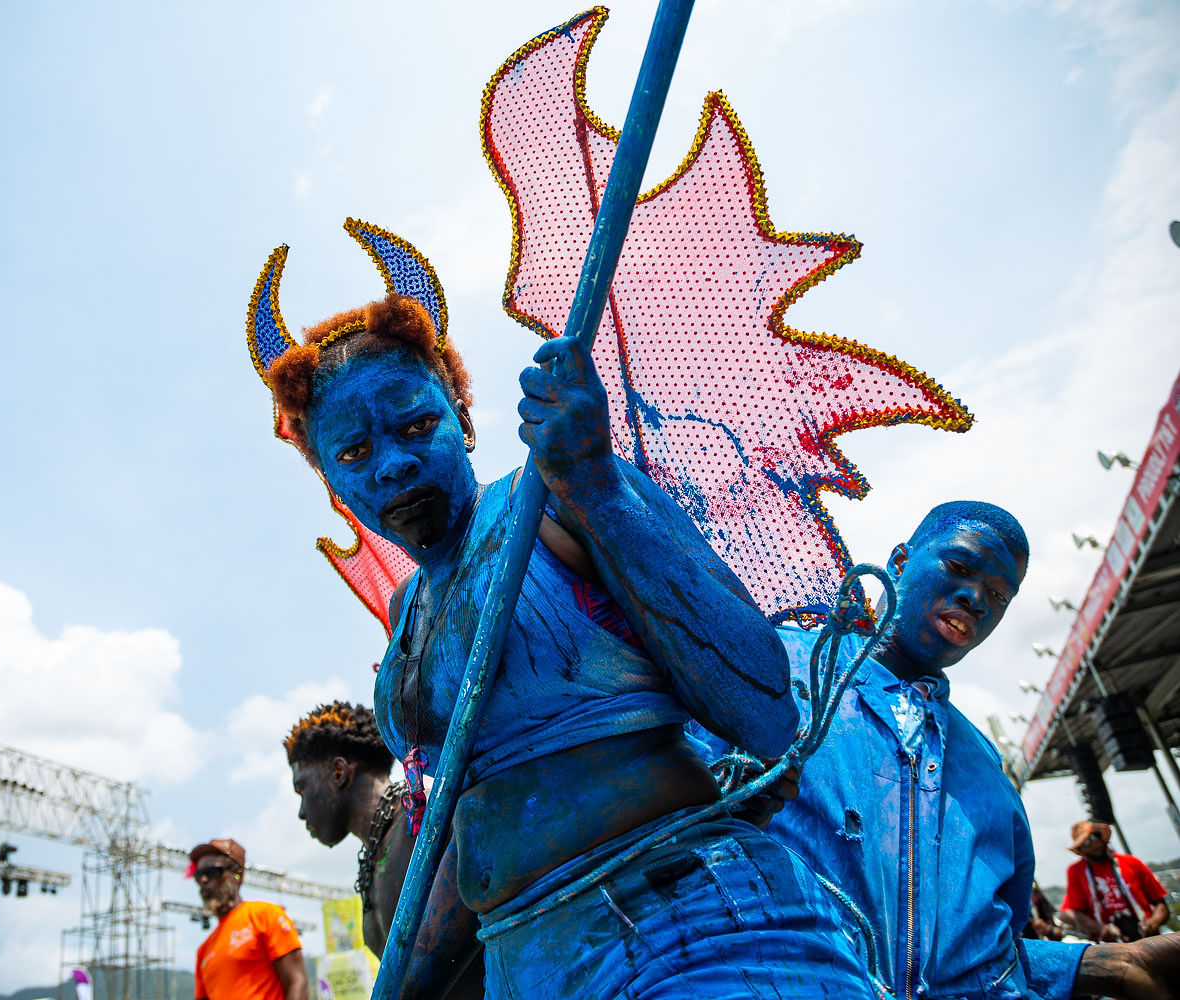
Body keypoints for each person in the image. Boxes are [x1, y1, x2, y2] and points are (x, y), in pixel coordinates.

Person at [261, 290, 871, 998]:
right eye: (355, 451)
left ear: (462, 418)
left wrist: (598, 488)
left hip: (690, 930)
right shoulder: (405, 616)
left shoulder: (548, 498)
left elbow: (765, 710)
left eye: (417, 424)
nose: (391, 464)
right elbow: (472, 831)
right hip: (531, 961)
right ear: (329, 479)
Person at [702, 502, 1180, 999]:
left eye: (999, 595)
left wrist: (1108, 964)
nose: (976, 598)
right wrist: (710, 811)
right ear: (901, 562)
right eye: (959, 568)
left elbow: (982, 960)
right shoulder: (773, 669)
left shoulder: (986, 770)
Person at [283, 701, 483, 997]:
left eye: (302, 789)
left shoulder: (428, 816)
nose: (301, 811)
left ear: (339, 772)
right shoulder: (372, 859)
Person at [190, 838, 308, 1000]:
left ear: (237, 875)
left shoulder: (265, 914)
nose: (203, 880)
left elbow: (297, 982)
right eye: (198, 876)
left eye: (212, 872)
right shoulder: (203, 951)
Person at [1061, 820, 1172, 943]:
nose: (1093, 843)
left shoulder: (1131, 862)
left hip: (1149, 938)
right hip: (1112, 946)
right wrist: (1102, 929)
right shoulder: (1075, 871)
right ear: (1081, 850)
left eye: (1094, 836)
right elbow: (1077, 914)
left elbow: (1161, 905)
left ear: (1102, 837)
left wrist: (1153, 923)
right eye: (1086, 842)